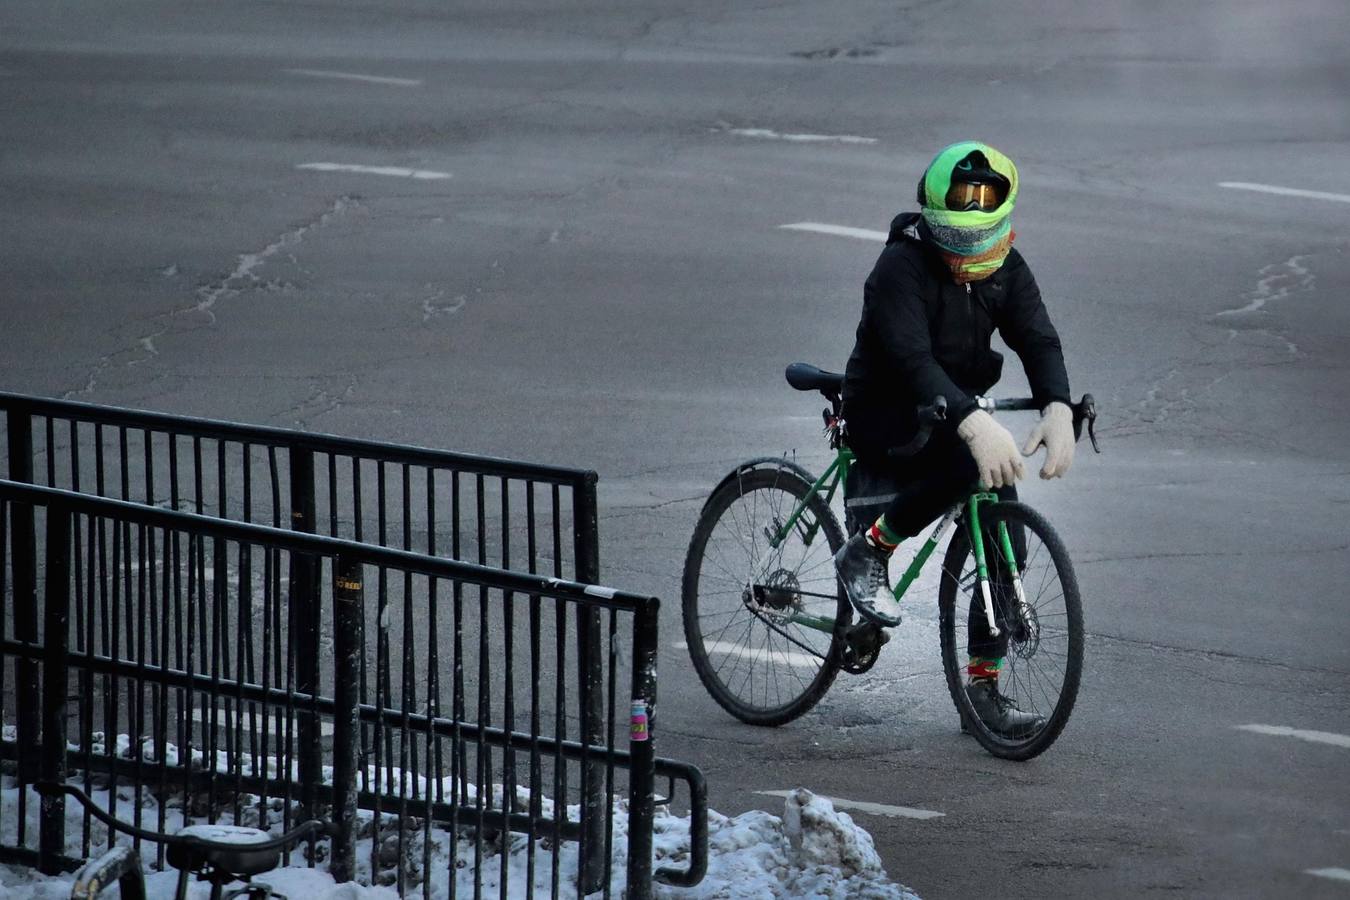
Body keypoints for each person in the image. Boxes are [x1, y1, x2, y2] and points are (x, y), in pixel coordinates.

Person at [832, 140, 1075, 738]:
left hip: (952, 409)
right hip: (886, 413)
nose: (970, 258)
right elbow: (912, 359)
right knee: (972, 462)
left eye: (981, 240)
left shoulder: (1004, 264)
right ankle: (870, 548)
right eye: (957, 243)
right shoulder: (899, 268)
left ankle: (983, 688)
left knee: (1002, 512)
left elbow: (1038, 338)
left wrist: (1059, 406)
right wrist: (971, 422)